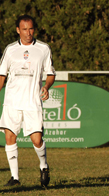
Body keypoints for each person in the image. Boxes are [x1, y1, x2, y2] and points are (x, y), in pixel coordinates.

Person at [0, 14, 55, 187]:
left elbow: (51, 74)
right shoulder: (10, 50)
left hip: (32, 101)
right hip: (12, 101)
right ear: (18, 30)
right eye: (24, 29)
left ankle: (44, 166)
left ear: (34, 29)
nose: (28, 33)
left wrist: (46, 86)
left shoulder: (43, 49)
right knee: (10, 136)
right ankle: (15, 178)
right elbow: (2, 75)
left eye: (30, 29)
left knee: (37, 140)